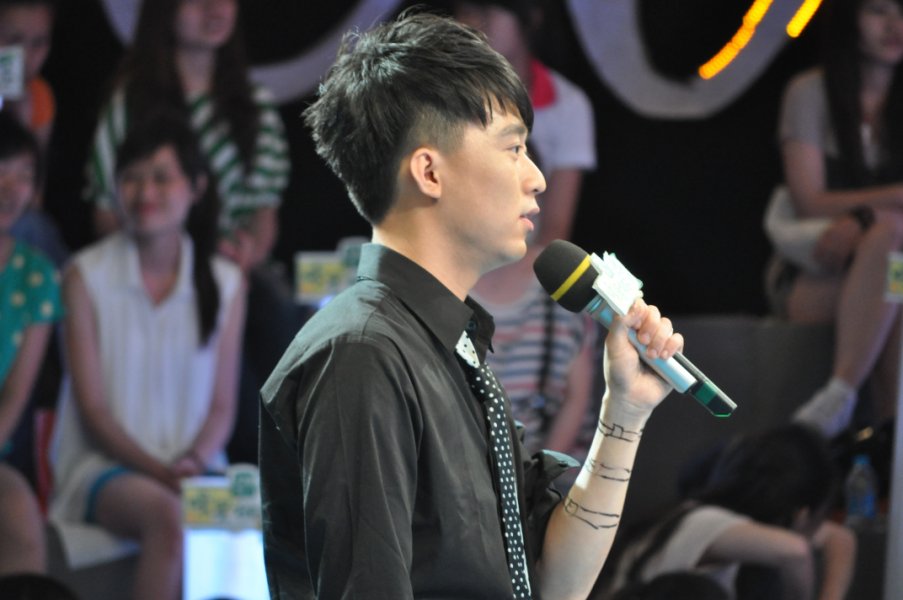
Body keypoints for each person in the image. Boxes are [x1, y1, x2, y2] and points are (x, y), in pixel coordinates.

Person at [259, 10, 683, 599]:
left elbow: (553, 584)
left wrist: (624, 415)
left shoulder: (449, 344)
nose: (537, 177)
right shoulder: (362, 353)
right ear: (429, 172)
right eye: (513, 148)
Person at [49, 113, 245, 600]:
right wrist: (163, 474)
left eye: (161, 177)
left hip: (197, 468)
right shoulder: (83, 275)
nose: (145, 192)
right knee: (167, 518)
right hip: (104, 468)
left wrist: (192, 463)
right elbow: (93, 411)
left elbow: (222, 406)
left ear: (196, 187)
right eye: (132, 178)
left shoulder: (226, 282)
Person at [764, 0, 903, 437]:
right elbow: (808, 201)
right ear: (849, 18)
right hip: (815, 270)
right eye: (878, 11)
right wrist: (881, 208)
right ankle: (880, 444)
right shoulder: (810, 92)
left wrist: (870, 219)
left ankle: (844, 402)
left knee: (894, 269)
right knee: (891, 240)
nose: (895, 26)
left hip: (888, 274)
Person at [84, 0, 290, 271]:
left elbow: (264, 210)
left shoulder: (255, 104)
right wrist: (158, 267)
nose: (215, 8)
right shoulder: (130, 102)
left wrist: (246, 256)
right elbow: (105, 210)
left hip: (230, 271)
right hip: (146, 274)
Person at [599, 424, 856, 600]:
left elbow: (841, 539)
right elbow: (796, 552)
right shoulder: (707, 522)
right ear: (801, 515)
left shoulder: (704, 516)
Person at [450, 0, 597, 246]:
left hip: (523, 259)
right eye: (466, 11)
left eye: (486, 11)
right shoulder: (443, 95)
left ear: (531, 16)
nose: (472, 23)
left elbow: (555, 229)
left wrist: (518, 268)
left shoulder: (569, 104)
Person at [0, 112, 61, 577]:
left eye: (25, 174)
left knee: (20, 518)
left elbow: (14, 399)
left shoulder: (36, 274)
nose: (12, 188)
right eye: (1, 171)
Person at [470, 243, 598, 459]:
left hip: (543, 460)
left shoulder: (561, 283)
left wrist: (539, 473)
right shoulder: (441, 288)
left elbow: (575, 400)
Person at [0, 0, 55, 148]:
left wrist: (18, 118)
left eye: (38, 43)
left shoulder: (39, 96)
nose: (26, 57)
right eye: (13, 40)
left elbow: (35, 162)